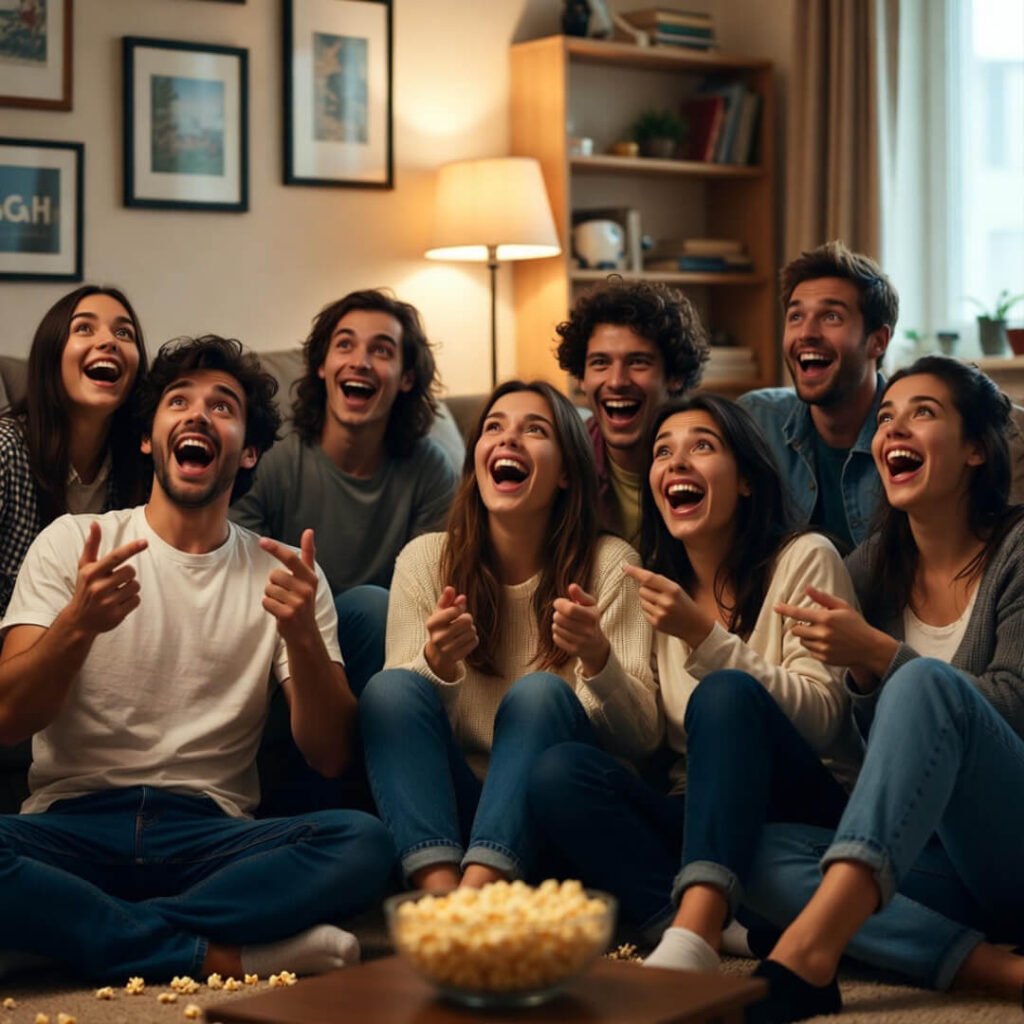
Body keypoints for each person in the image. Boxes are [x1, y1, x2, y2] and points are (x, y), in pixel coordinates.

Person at [0, 335, 393, 983]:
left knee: (362, 843)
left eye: (223, 407)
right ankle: (205, 951)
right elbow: (10, 719)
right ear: (149, 440)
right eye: (178, 401)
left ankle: (81, 932)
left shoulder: (286, 574)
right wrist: (78, 626)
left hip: (209, 836)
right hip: (71, 824)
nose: (198, 415)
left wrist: (300, 635)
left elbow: (329, 755)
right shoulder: (73, 543)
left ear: (249, 451)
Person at [529, 394, 863, 975]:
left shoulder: (805, 556)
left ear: (747, 482)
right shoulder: (658, 586)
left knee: (725, 693)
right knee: (559, 773)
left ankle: (696, 928)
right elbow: (645, 739)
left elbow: (824, 719)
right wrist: (599, 658)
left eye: (701, 447)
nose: (676, 463)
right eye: (663, 452)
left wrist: (705, 636)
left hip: (803, 801)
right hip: (703, 811)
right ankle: (703, 928)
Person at [742, 357, 1024, 1022]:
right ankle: (994, 967)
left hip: (1013, 836)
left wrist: (882, 657)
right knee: (755, 856)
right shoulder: (867, 569)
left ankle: (809, 954)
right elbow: (872, 752)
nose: (894, 428)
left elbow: (1012, 705)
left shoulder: (1018, 549)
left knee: (924, 680)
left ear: (977, 449)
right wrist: (863, 674)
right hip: (938, 865)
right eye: (887, 416)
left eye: (923, 412)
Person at [359, 380, 659, 891]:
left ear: (566, 472)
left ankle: (479, 895)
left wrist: (598, 658)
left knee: (540, 692)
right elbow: (400, 732)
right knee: (389, 687)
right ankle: (442, 899)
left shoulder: (610, 566)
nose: (509, 439)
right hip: (454, 821)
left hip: (551, 820)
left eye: (534, 430)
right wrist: (438, 665)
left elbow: (642, 738)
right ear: (476, 461)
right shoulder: (425, 560)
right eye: (494, 427)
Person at [230, 288, 458, 691]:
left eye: (382, 351)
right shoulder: (270, 459)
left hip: (393, 651)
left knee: (372, 606)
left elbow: (431, 596)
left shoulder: (431, 469)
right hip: (280, 642)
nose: (360, 362)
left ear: (406, 377)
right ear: (321, 365)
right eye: (345, 345)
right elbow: (237, 578)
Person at [1, 285, 149, 618]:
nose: (108, 341)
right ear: (50, 355)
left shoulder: (145, 464)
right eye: (84, 327)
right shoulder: (6, 450)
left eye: (124, 333)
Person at [555, 277, 709, 545]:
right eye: (600, 363)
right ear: (581, 378)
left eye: (638, 362)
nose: (616, 381)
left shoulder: (713, 466)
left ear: (674, 376)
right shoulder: (563, 464)